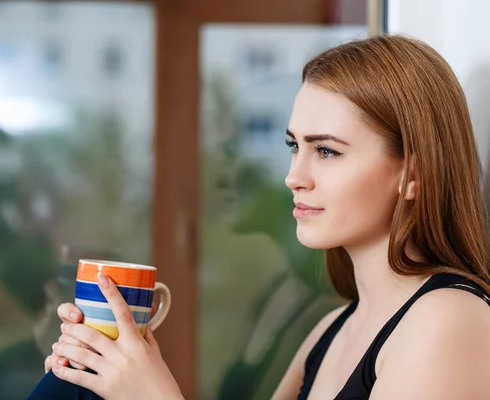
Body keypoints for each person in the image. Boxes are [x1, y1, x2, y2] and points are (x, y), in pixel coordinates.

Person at [33, 34, 490, 399]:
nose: (294, 176)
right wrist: (128, 368)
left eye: (327, 151)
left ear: (413, 175)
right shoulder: (330, 332)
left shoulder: (449, 320)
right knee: (81, 379)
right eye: (296, 146)